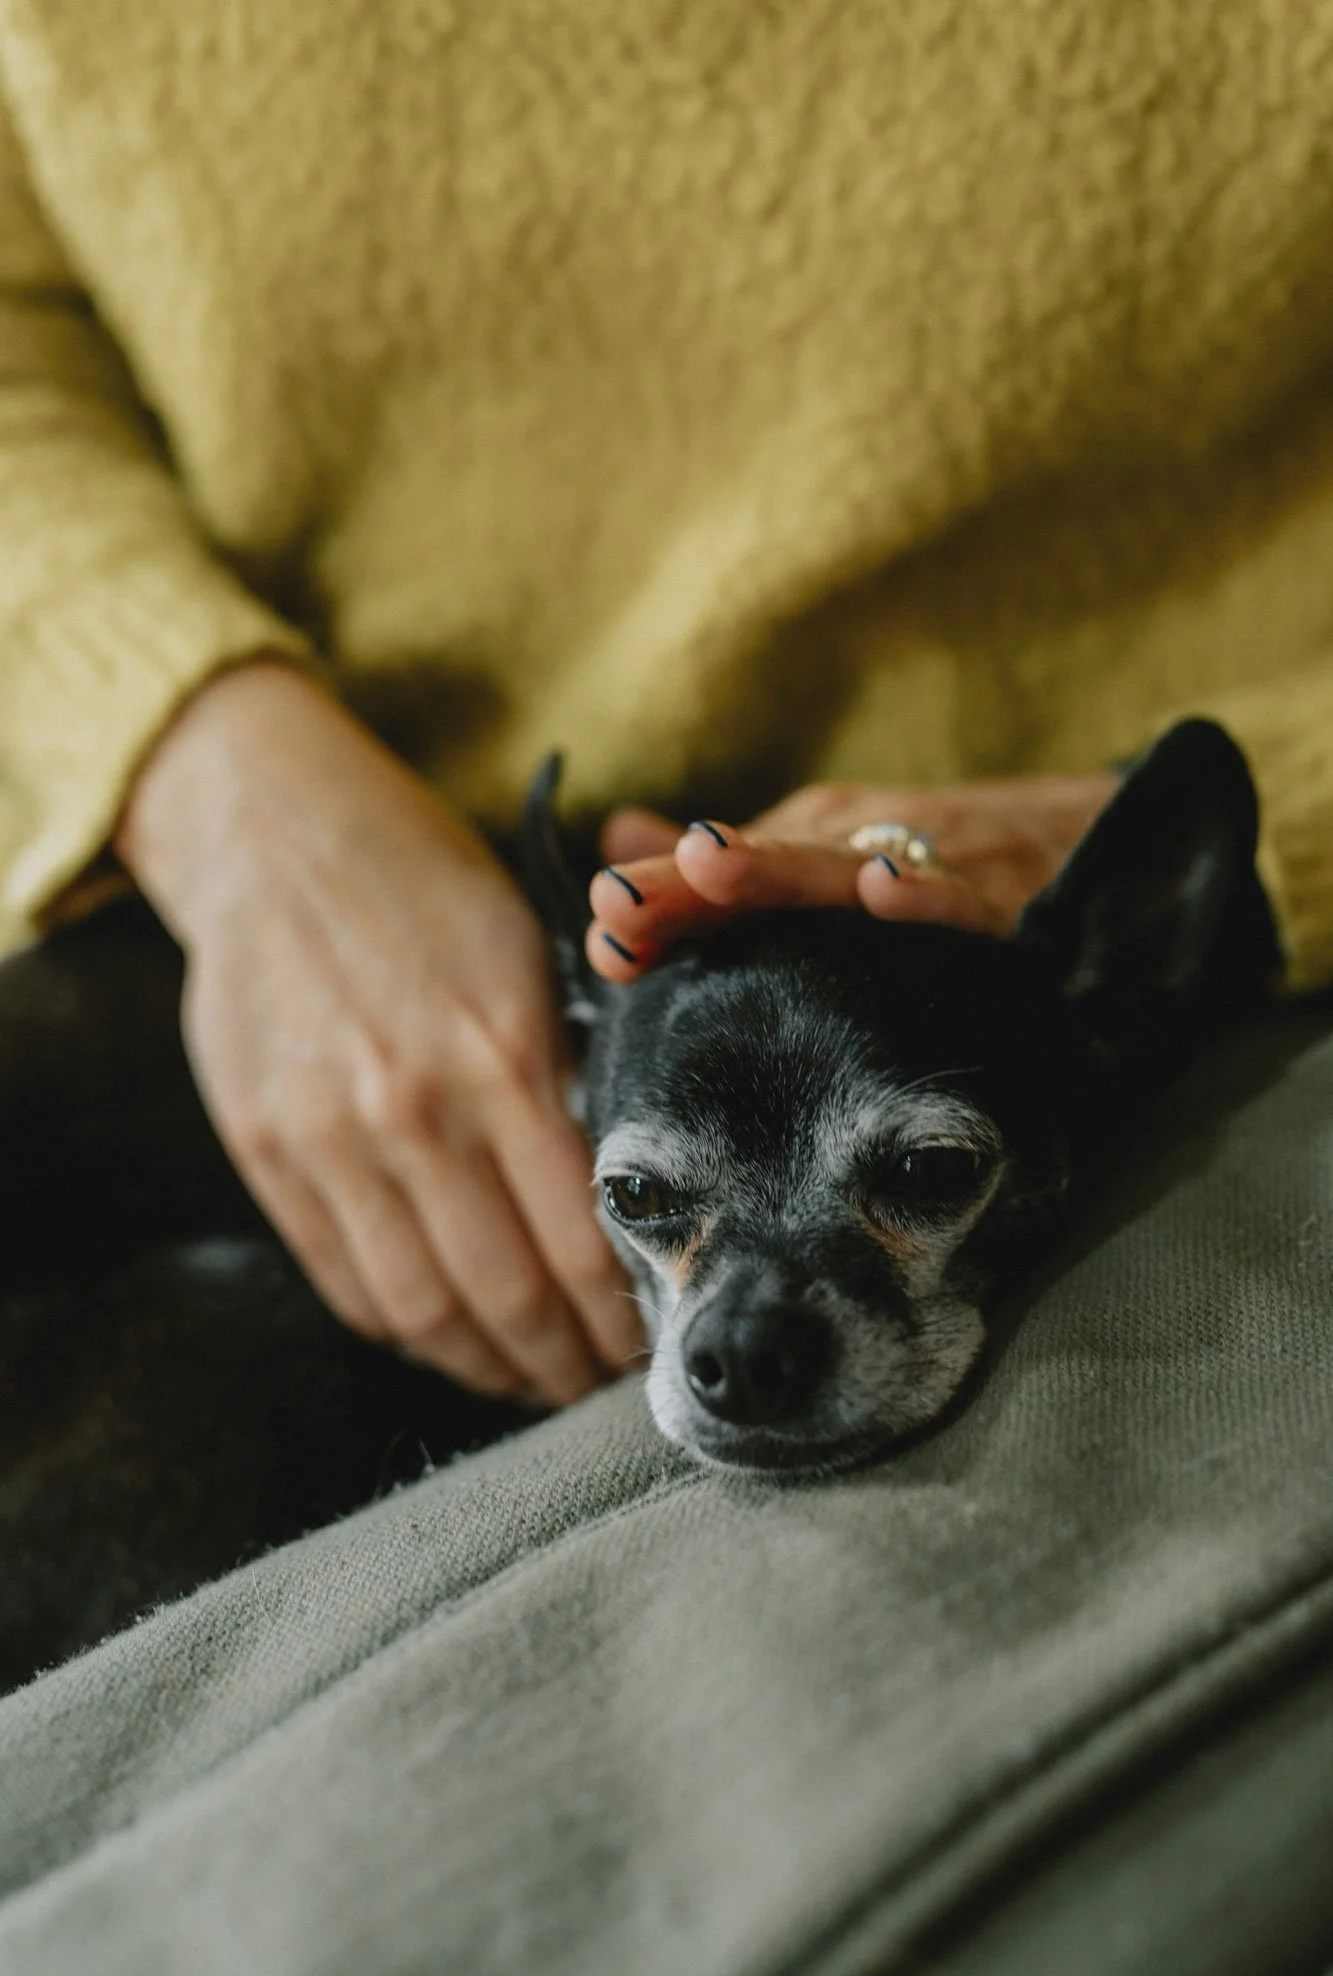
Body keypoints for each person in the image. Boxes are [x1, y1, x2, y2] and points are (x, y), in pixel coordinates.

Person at [1, 0, 1330, 1417]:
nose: (743, 1333)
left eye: (923, 1178)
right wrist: (221, 780)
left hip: (1200, 945)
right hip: (337, 872)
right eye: (650, 1203)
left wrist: (1264, 820)